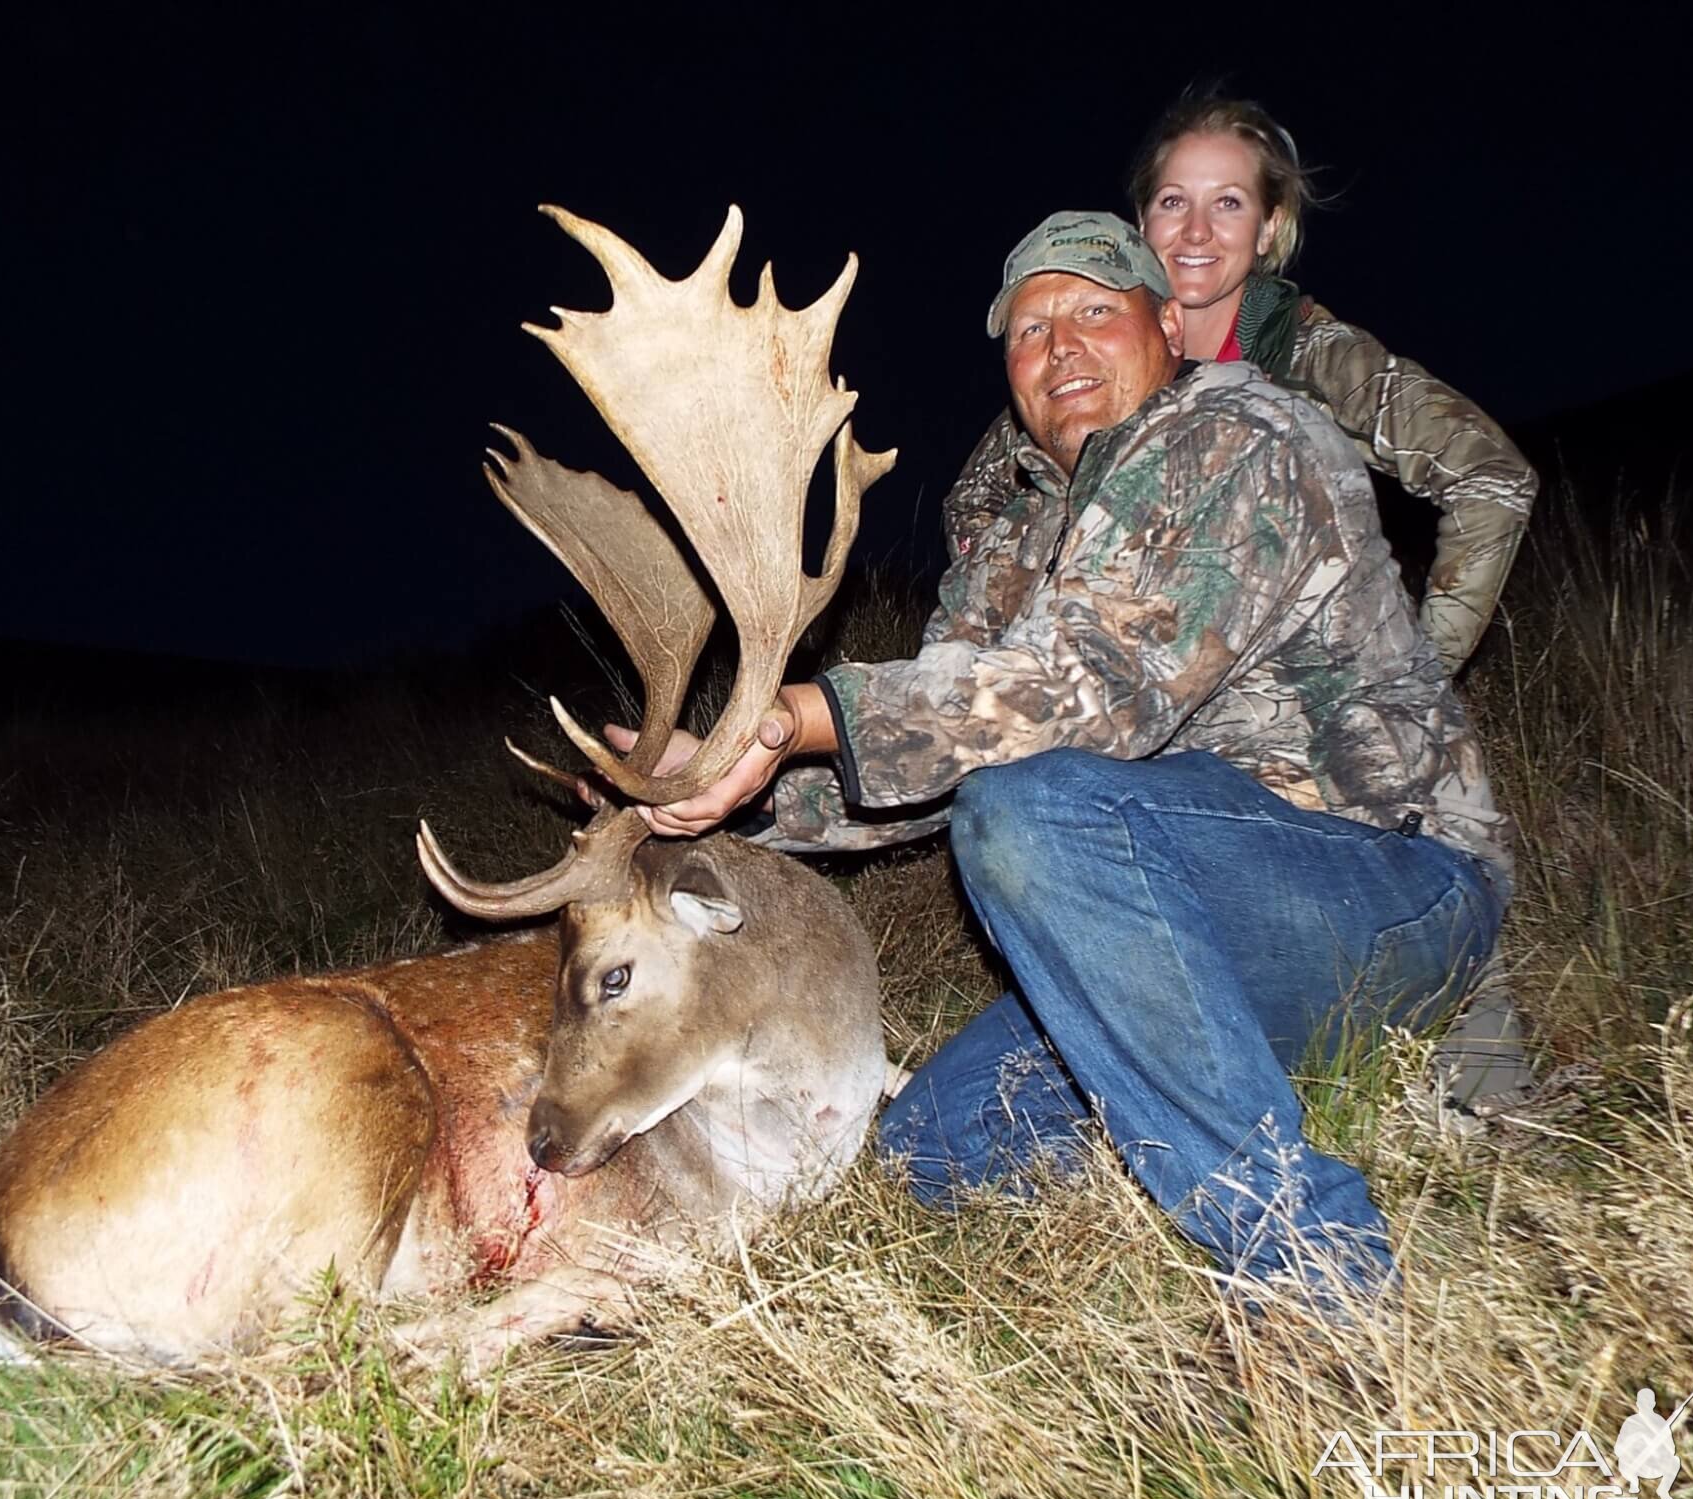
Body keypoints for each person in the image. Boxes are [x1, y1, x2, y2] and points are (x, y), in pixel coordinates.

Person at [618, 212, 1511, 1308]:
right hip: (1185, 935)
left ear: (1169, 328)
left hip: (1383, 895)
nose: (1059, 346)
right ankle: (1208, 1109)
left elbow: (1086, 694)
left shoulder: (1234, 432)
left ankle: (1307, 1264)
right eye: (1029, 331)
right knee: (925, 1159)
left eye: (1095, 310)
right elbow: (932, 749)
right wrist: (718, 785)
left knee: (1028, 815)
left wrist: (798, 715)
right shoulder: (1012, 545)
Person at [942, 92, 1537, 1113]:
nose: (1194, 231)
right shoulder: (1092, 362)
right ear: (1138, 226)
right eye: (1170, 203)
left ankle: (1467, 1061)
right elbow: (977, 506)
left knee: (1463, 1066)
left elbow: (1491, 479)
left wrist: (1414, 665)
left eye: (1226, 206)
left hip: (1329, 755)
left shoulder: (1312, 361)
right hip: (1172, 748)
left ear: (1268, 229)